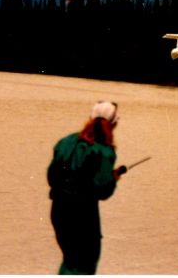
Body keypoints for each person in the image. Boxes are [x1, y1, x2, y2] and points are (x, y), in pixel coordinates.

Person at [47, 100, 125, 275]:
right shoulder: (105, 151)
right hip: (84, 216)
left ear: (90, 118)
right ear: (113, 124)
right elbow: (103, 190)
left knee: (70, 259)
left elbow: (52, 177)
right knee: (86, 264)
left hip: (58, 211)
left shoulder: (65, 142)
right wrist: (113, 179)